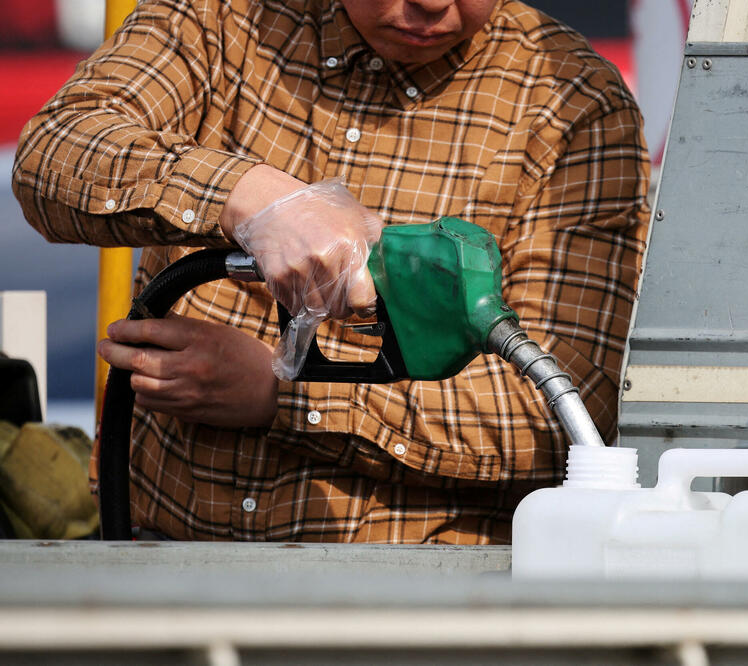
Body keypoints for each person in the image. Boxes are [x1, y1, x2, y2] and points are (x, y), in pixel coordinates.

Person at [12, 0, 650, 543]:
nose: (430, 3)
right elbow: (55, 152)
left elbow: (567, 416)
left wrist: (281, 394)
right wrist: (250, 198)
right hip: (162, 569)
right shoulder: (222, 18)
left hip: (418, 608)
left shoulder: (572, 103)